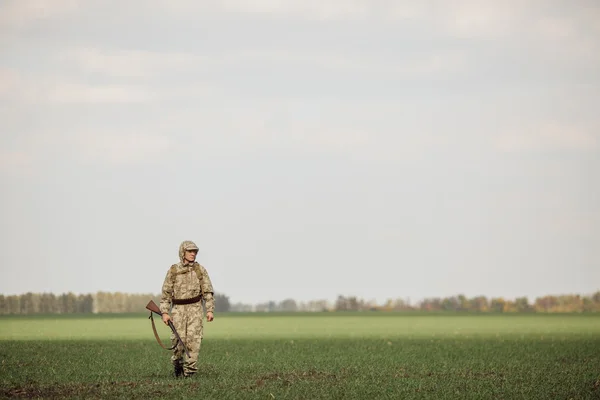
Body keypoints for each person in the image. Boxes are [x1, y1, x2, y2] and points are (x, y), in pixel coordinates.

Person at [159, 240, 215, 378]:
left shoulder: (200, 270)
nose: (193, 254)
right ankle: (178, 368)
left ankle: (189, 374)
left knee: (194, 343)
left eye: (195, 251)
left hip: (195, 310)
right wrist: (165, 312)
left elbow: (207, 292)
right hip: (178, 311)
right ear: (182, 252)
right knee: (178, 344)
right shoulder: (173, 270)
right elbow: (166, 294)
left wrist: (209, 310)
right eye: (190, 251)